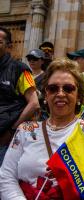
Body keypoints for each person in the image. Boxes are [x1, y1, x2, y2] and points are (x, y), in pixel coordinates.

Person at [0, 58, 84, 199]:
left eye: (68, 88)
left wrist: (71, 174)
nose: (60, 93)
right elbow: (6, 177)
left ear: (79, 95)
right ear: (46, 94)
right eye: (53, 88)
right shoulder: (26, 130)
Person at [0, 26, 40, 166]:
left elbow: (34, 104)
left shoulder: (20, 69)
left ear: (9, 46)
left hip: (6, 140)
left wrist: (11, 131)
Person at [26, 48, 48, 120]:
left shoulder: (46, 77)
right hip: (24, 111)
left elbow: (46, 95)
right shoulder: (25, 75)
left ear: (42, 61)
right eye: (29, 59)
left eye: (35, 59)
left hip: (39, 114)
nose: (32, 61)